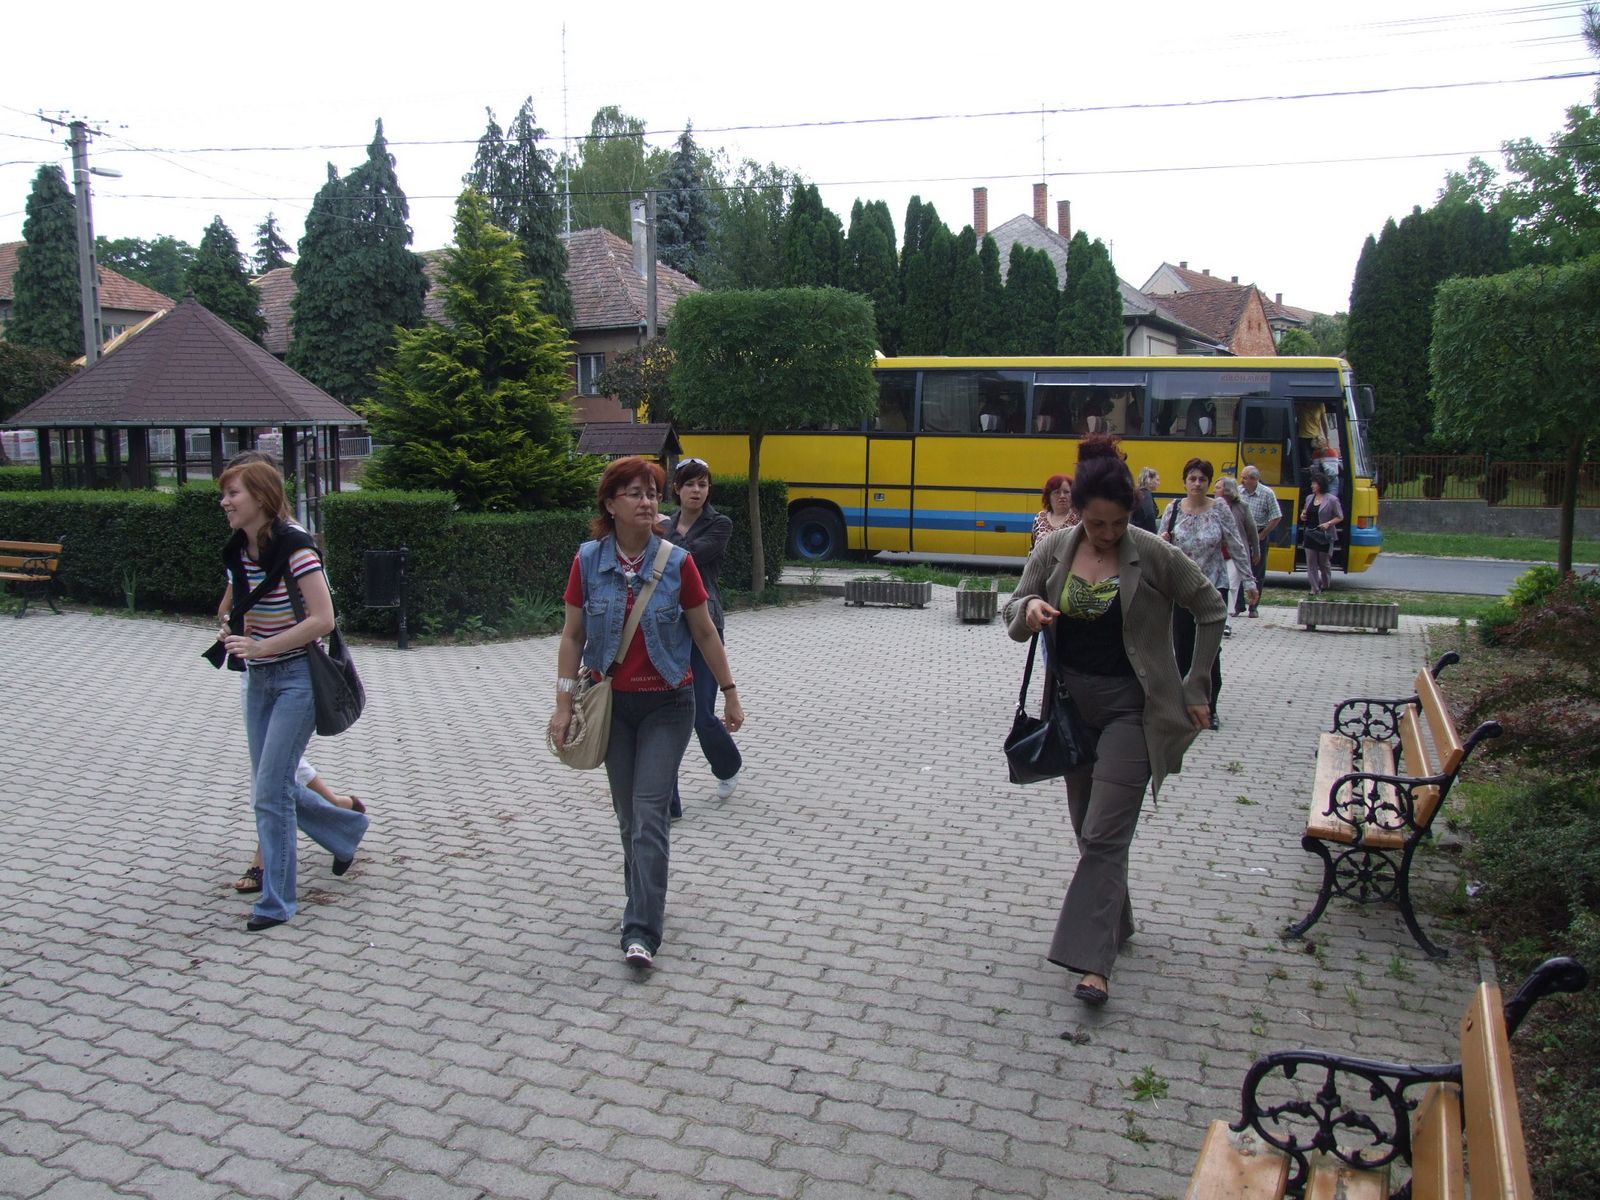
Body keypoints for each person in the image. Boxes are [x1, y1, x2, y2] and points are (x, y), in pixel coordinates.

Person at [1004, 435, 1226, 1009]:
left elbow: (1209, 606)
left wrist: (1197, 682)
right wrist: (1029, 610)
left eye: (1118, 523)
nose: (1108, 534)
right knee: (1090, 831)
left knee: (1104, 833)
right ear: (1078, 510)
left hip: (1134, 709)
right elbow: (1013, 609)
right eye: (1097, 523)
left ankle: (1092, 964)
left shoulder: (1151, 552)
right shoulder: (1054, 549)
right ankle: (1116, 922)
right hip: (1072, 710)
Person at [550, 457, 747, 969]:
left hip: (669, 703)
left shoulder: (677, 562)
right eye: (635, 493)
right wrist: (563, 703)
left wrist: (729, 691)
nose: (647, 502)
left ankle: (641, 929)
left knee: (650, 812)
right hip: (613, 706)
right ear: (610, 504)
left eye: (653, 493)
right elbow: (572, 635)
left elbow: (704, 631)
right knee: (628, 816)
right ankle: (639, 896)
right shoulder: (588, 561)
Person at [215, 459, 370, 932]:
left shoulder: (297, 549)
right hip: (259, 679)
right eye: (224, 494)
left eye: (233, 494)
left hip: (297, 679)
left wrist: (263, 646)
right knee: (272, 787)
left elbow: (323, 619)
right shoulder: (238, 549)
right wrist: (229, 627)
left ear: (261, 498)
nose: (224, 502)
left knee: (270, 791)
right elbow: (234, 606)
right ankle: (346, 830)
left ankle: (276, 902)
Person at [659, 457, 742, 819]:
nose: (696, 491)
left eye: (703, 485)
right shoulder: (663, 523)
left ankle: (728, 765)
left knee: (701, 712)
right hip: (665, 625)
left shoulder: (719, 524)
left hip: (705, 624)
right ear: (676, 488)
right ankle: (668, 804)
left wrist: (664, 532)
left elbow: (688, 557)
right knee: (665, 714)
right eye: (690, 484)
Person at [1159, 458, 1252, 729]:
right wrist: (1163, 541)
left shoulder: (1219, 509)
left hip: (1212, 588)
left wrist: (1249, 581)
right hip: (1180, 589)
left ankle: (1210, 707)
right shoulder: (1173, 509)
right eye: (1192, 479)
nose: (1197, 484)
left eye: (1202, 479)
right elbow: (1157, 543)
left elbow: (1236, 545)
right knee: (1183, 647)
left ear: (1209, 483)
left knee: (1209, 650)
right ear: (1184, 482)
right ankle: (1184, 706)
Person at [1213, 476, 1259, 637]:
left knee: (1231, 586)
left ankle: (1227, 621)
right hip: (1217, 554)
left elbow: (1252, 531)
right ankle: (1221, 620)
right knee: (1219, 587)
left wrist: (1256, 551)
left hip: (1235, 555)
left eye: (1218, 487)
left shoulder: (1242, 507)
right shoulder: (1212, 506)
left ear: (1227, 490)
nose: (1214, 490)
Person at [1237, 466, 1281, 617]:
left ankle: (1253, 607)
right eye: (1242, 477)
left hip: (1259, 534)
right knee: (1238, 570)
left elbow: (1276, 516)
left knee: (1257, 572)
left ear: (1254, 479)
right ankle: (1238, 605)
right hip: (1240, 536)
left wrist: (1263, 534)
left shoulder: (1267, 493)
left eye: (1245, 478)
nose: (1242, 481)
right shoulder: (1238, 492)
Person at [1301, 471, 1344, 596]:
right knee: (1311, 562)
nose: (1312, 486)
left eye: (1314, 483)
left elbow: (1340, 516)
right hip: (1310, 533)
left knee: (1323, 563)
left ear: (1320, 484)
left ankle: (1325, 584)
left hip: (1324, 535)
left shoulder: (1332, 500)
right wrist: (1303, 515)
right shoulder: (1309, 498)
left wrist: (1328, 523)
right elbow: (1305, 511)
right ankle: (1314, 588)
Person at [1033, 474, 1079, 545]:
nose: (1062, 496)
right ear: (1048, 496)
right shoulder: (1040, 517)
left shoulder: (1078, 518)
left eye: (1066, 492)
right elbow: (1033, 548)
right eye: (1057, 492)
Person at [1130, 467, 1160, 534]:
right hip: (1144, 533)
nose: (1159, 483)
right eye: (1157, 480)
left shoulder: (1139, 493)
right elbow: (1149, 514)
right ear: (1149, 480)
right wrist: (1154, 534)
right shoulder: (1146, 495)